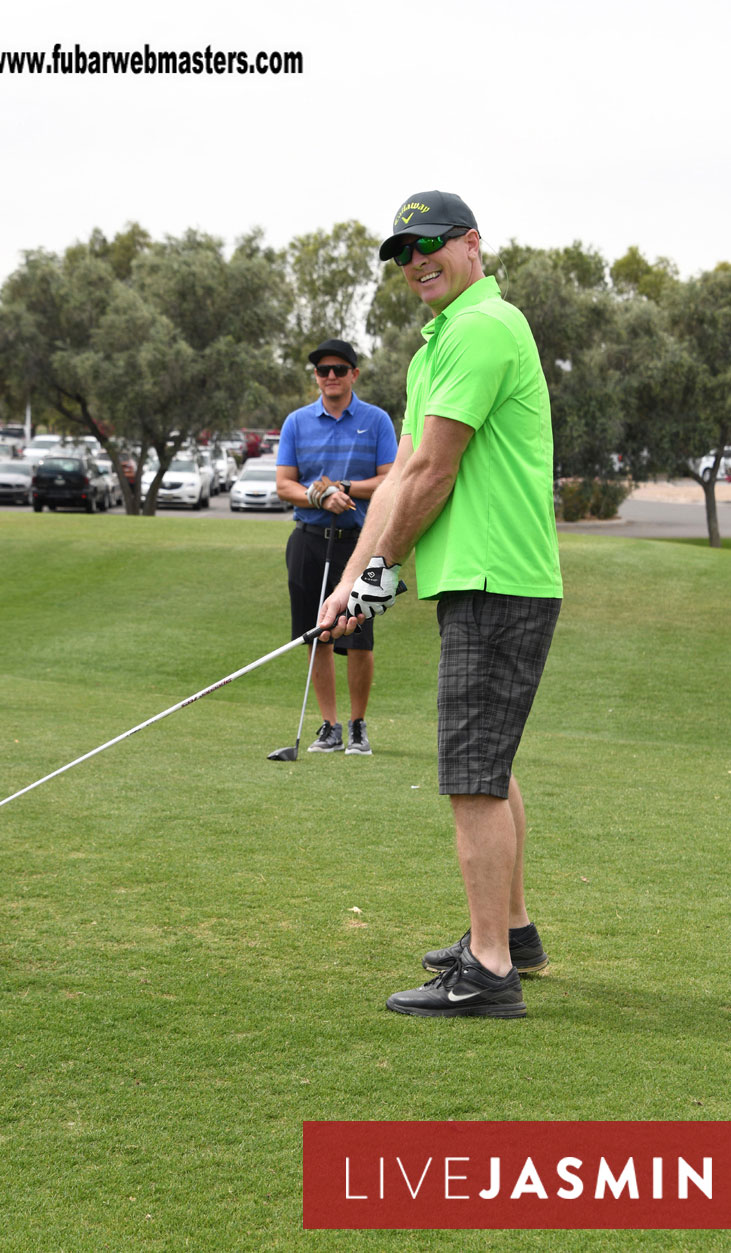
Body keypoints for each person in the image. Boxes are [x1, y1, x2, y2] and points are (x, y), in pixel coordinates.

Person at [319, 192, 563, 1018]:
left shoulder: (485, 328)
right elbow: (400, 479)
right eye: (402, 251)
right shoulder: (439, 346)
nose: (415, 261)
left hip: (497, 577)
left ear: (470, 245)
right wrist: (351, 580)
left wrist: (379, 575)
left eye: (429, 244)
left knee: (469, 772)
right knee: (487, 760)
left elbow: (435, 472)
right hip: (478, 577)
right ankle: (512, 933)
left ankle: (488, 970)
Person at [276, 339, 398, 755]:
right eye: (323, 370)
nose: (331, 376)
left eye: (339, 370)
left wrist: (346, 488)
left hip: (361, 543)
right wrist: (319, 497)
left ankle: (358, 724)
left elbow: (390, 480)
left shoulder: (376, 420)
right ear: (316, 376)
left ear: (353, 375)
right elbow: (284, 484)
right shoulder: (296, 422)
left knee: (359, 637)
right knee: (318, 637)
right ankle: (329, 726)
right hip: (309, 540)